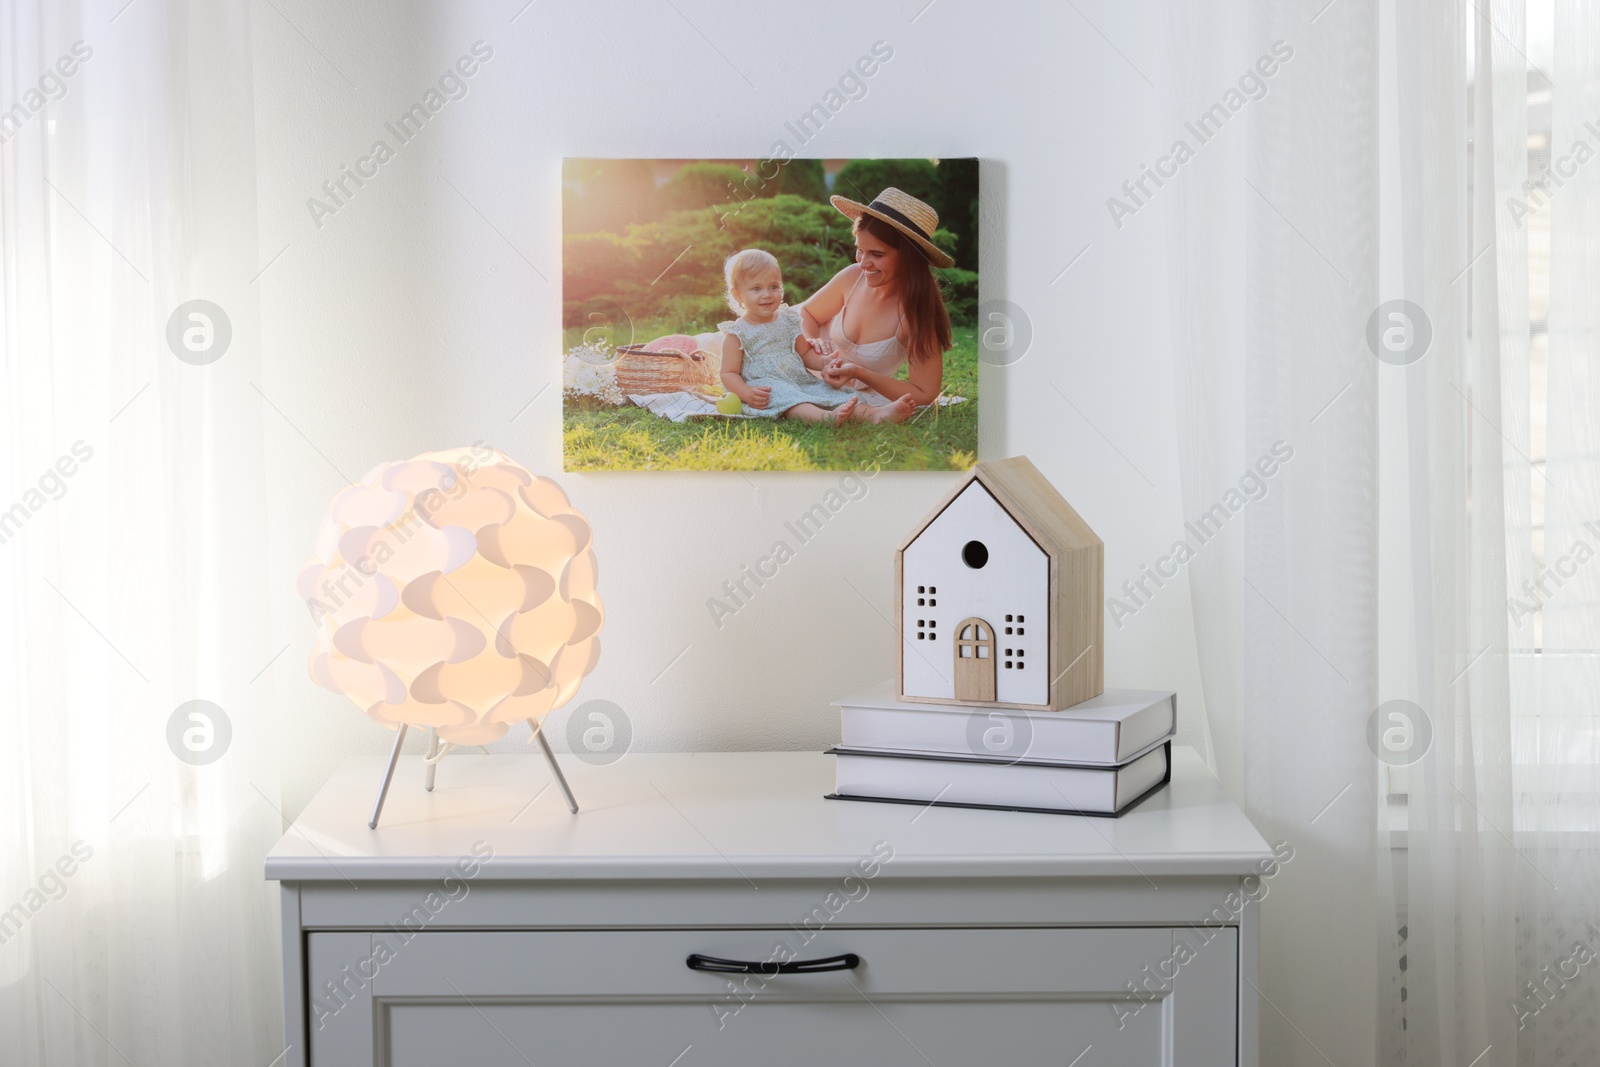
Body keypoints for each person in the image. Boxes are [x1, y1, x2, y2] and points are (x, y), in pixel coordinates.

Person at [799, 186, 954, 408]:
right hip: (799, 356)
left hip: (834, 386)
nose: (862, 263)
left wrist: (859, 373)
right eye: (859, 249)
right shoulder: (853, 277)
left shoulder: (917, 314)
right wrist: (811, 343)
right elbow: (806, 313)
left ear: (908, 258)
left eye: (877, 254)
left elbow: (925, 393)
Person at [718, 249, 912, 424]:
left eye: (773, 286)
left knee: (832, 392)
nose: (767, 294)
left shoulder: (788, 320)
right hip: (767, 386)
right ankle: (824, 418)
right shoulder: (738, 333)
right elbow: (728, 373)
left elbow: (805, 353)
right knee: (791, 400)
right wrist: (747, 393)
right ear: (738, 295)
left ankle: (875, 414)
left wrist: (824, 362)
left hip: (798, 379)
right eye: (756, 289)